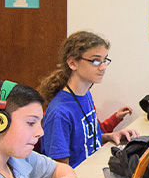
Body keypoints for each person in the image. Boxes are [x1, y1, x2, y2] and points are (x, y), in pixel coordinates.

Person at [38, 31, 139, 168]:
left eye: (104, 61)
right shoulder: (59, 112)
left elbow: (84, 141)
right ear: (72, 63)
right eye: (96, 61)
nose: (103, 67)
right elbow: (61, 171)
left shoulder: (86, 95)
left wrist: (111, 136)